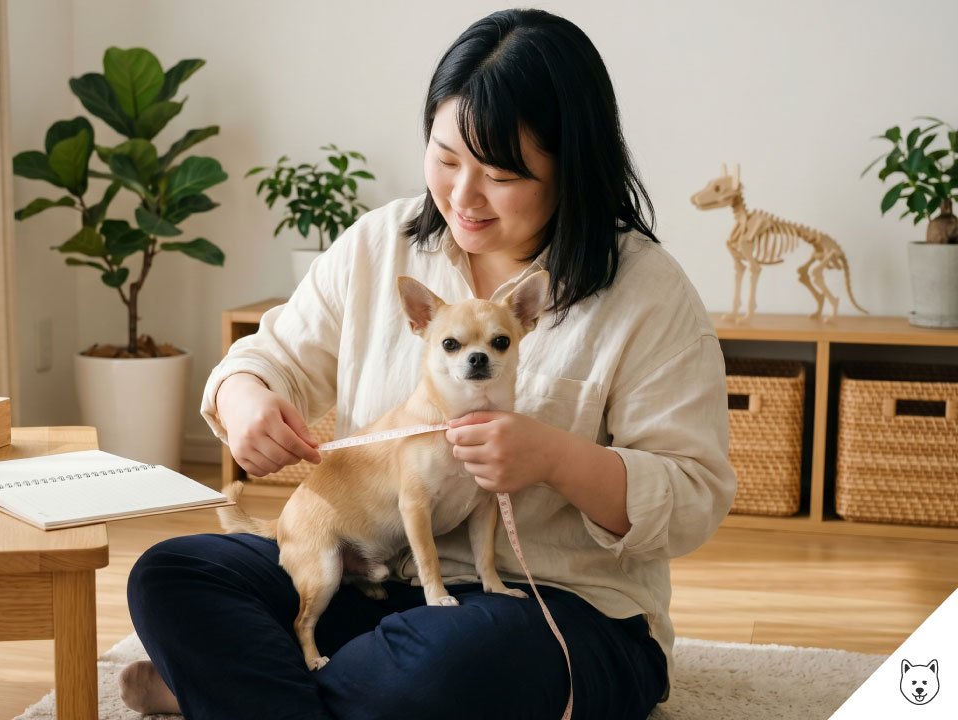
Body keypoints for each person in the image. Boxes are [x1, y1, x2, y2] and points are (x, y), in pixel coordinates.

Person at [119, 7, 736, 719]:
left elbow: (693, 498)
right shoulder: (381, 243)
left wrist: (557, 459)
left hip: (546, 608)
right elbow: (272, 355)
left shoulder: (648, 293)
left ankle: (236, 693)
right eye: (446, 160)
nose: (463, 197)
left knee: (445, 668)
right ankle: (310, 691)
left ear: (573, 168)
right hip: (373, 576)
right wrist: (245, 399)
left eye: (501, 176)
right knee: (172, 574)